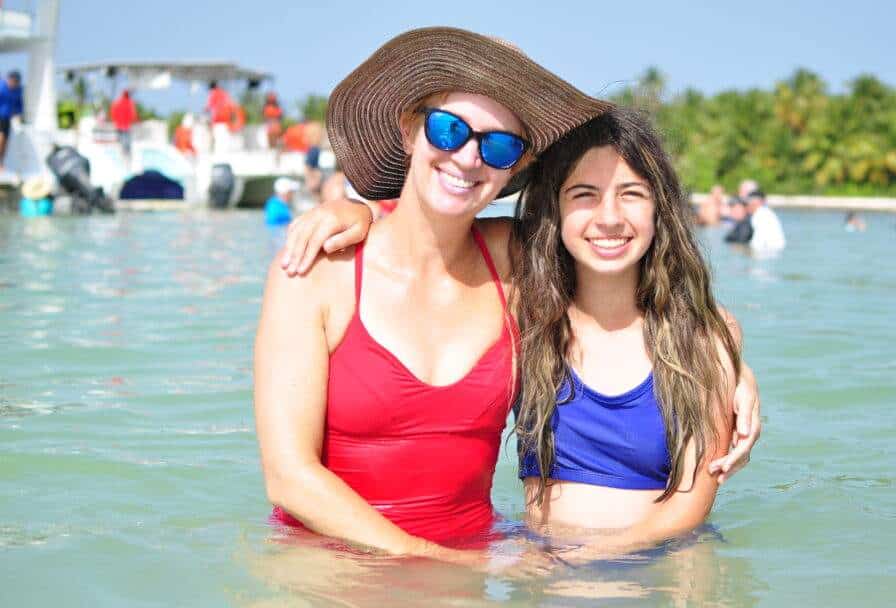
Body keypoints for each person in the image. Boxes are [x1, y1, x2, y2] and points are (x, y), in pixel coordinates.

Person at [257, 28, 762, 567]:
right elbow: (289, 479)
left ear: (514, 168)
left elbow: (640, 279)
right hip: (335, 570)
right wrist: (348, 210)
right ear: (410, 130)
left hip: (468, 579)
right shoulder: (316, 271)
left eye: (498, 145)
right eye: (449, 130)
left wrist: (733, 366)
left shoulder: (515, 265)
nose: (468, 158)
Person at [512, 107, 740, 556]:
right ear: (554, 208)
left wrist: (581, 560)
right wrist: (351, 214)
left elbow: (691, 506)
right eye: (584, 194)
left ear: (661, 208)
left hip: (661, 566)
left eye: (631, 193)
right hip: (547, 573)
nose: (610, 217)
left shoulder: (702, 340)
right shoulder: (527, 321)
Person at [0, 70, 24, 169]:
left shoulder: (18, 90)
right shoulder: (1, 88)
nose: (13, 83)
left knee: (5, 140)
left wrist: (18, 115)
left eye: (15, 81)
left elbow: (19, 105)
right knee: (1, 137)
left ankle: (0, 162)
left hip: (7, 118)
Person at [110, 89, 139, 156]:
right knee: (126, 146)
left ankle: (122, 156)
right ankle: (126, 157)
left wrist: (116, 121)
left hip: (119, 126)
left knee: (120, 144)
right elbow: (133, 115)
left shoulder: (117, 102)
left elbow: (113, 113)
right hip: (126, 127)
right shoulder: (129, 103)